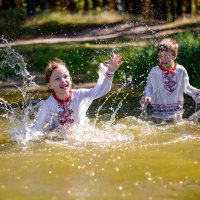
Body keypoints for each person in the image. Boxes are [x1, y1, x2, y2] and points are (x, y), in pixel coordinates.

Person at [32, 54, 123, 132]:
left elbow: (102, 90)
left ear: (70, 79)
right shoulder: (47, 105)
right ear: (50, 85)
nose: (63, 80)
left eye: (65, 76)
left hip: (80, 135)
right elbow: (36, 128)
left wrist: (110, 71)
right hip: (57, 140)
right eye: (57, 78)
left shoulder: (81, 95)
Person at [140, 38, 200, 123]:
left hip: (175, 110)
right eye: (160, 56)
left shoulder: (180, 70)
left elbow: (186, 87)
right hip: (158, 111)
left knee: (176, 128)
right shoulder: (155, 71)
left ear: (174, 56)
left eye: (166, 56)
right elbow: (149, 86)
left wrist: (197, 94)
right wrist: (147, 96)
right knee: (159, 129)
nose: (163, 59)